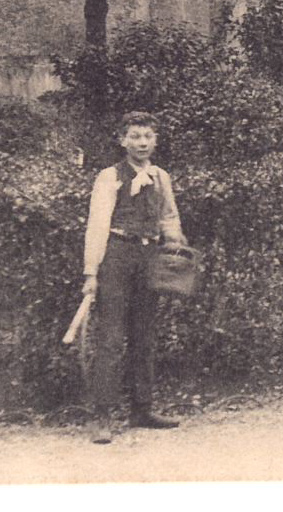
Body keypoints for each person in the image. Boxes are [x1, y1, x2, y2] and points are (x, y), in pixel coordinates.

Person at [82, 112, 188, 444]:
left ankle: (142, 409)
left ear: (155, 140)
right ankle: (103, 417)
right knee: (111, 339)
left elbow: (169, 216)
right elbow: (97, 225)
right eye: (135, 136)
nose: (142, 142)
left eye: (148, 136)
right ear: (123, 140)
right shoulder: (109, 177)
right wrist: (91, 272)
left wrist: (175, 243)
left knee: (145, 336)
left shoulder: (161, 177)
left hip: (150, 258)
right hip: (117, 255)